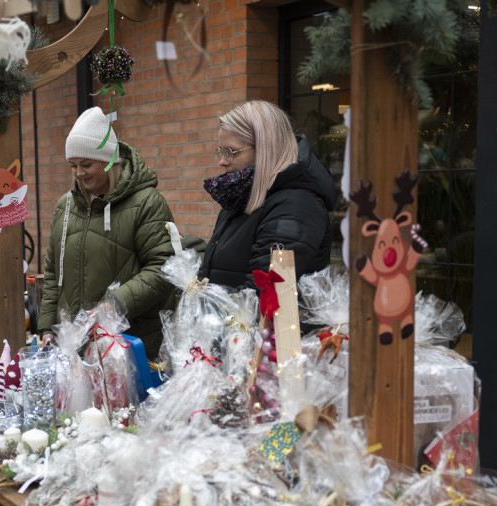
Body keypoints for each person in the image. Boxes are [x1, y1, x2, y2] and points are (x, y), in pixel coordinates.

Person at [38, 106, 176, 357]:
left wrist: (114, 305)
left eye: (86, 164)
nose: (79, 173)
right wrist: (47, 327)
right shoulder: (65, 206)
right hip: (74, 346)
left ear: (110, 160)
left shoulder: (146, 203)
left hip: (127, 345)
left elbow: (163, 268)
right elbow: (52, 273)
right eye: (73, 165)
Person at [197, 100, 334, 290]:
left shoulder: (297, 205)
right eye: (221, 151)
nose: (222, 161)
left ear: (264, 148)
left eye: (230, 152)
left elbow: (265, 292)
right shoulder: (241, 196)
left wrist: (209, 307)